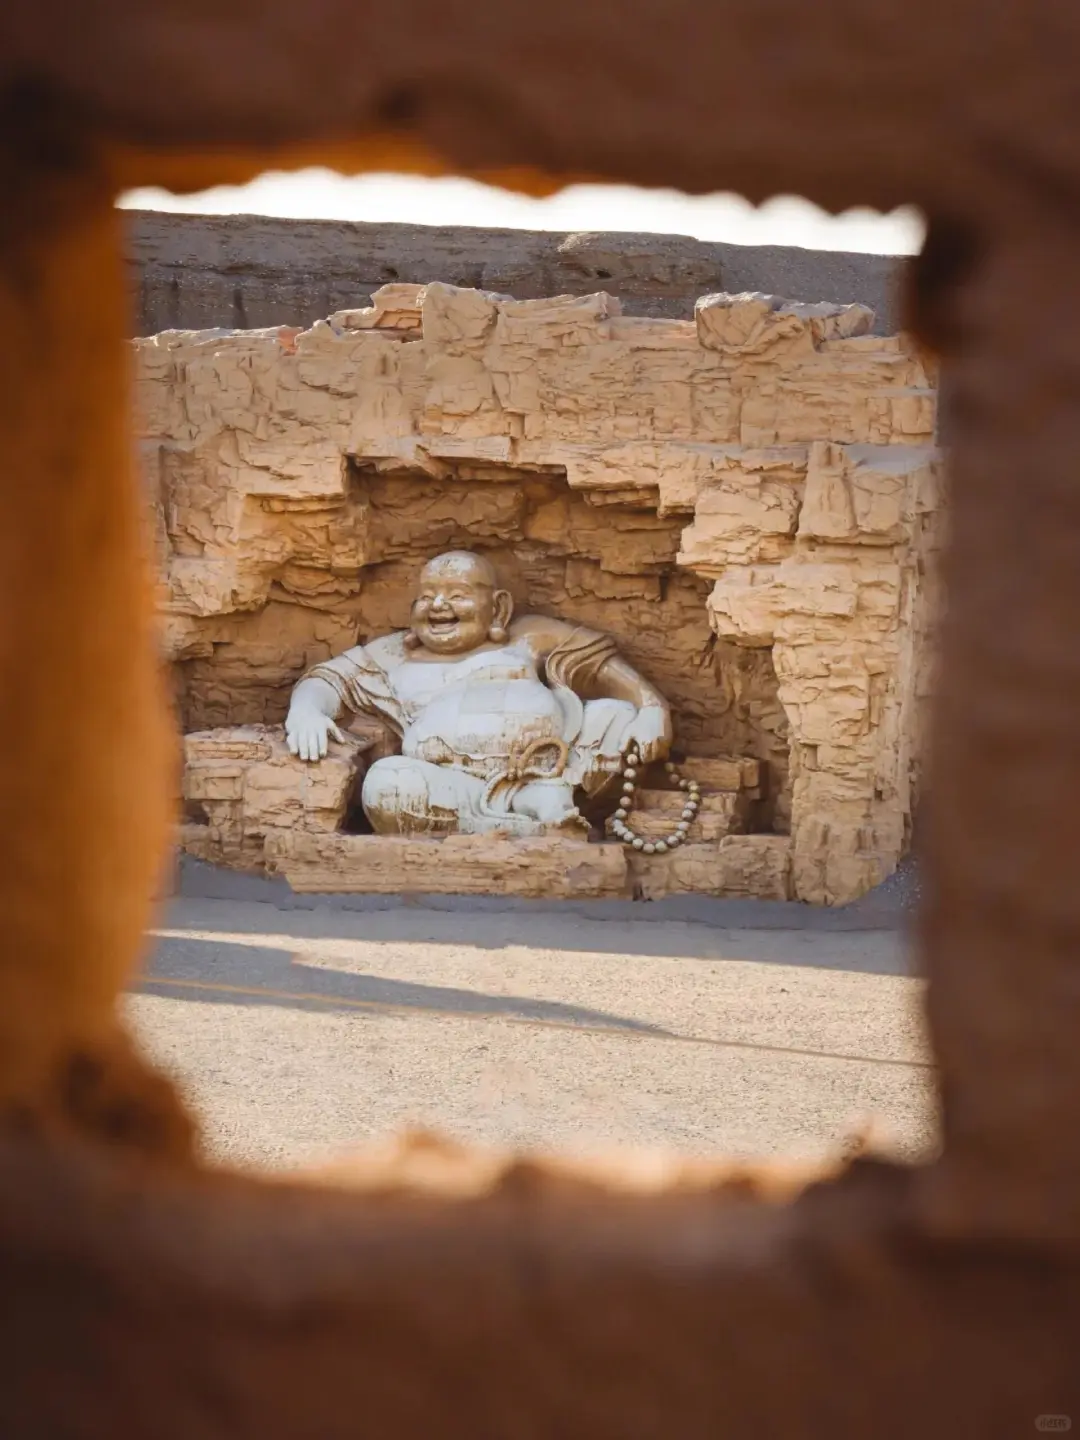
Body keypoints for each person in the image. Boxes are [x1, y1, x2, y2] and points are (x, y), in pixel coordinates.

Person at [285, 550, 672, 836]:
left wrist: (653, 708)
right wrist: (306, 712)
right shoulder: (393, 656)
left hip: (557, 766)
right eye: (428, 595)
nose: (438, 605)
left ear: (498, 608)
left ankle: (546, 806)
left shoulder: (529, 636)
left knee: (617, 717)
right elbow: (326, 679)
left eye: (457, 594)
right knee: (387, 784)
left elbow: (607, 669)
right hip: (457, 786)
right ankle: (531, 827)